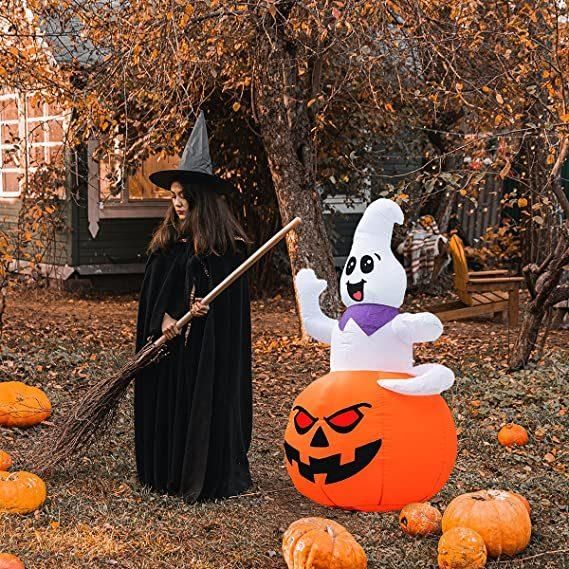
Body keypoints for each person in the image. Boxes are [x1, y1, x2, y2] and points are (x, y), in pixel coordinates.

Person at [134, 112, 252, 502]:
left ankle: (205, 467)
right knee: (171, 397)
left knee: (204, 398)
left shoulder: (227, 249)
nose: (178, 203)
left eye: (185, 197)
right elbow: (155, 293)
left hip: (207, 357)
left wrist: (207, 312)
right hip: (170, 351)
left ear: (202, 200)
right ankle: (169, 467)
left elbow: (231, 310)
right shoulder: (166, 243)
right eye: (174, 197)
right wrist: (164, 317)